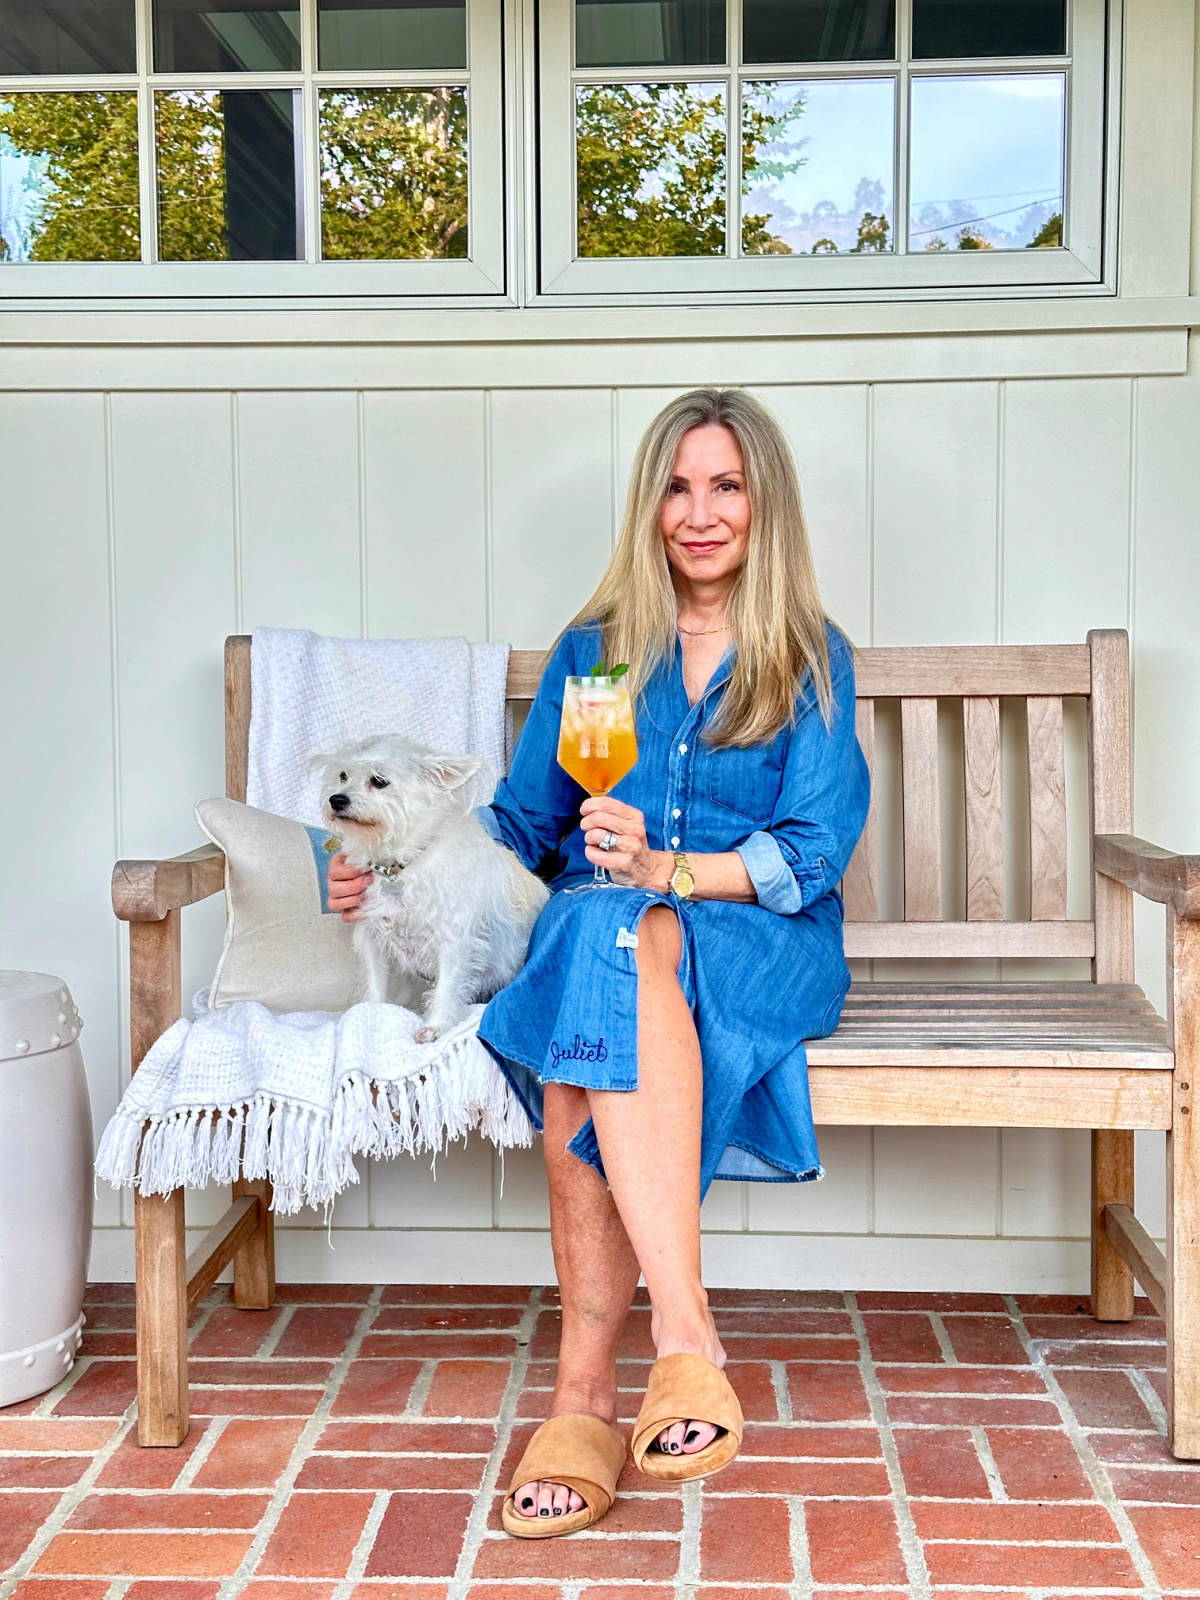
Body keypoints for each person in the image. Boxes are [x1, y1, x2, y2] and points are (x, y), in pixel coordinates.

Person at [327, 388, 869, 1537]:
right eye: (678, 486)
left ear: (763, 502)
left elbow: (814, 850)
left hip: (756, 939)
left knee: (608, 935)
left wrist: (671, 865)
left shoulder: (807, 656)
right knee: (595, 934)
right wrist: (382, 861)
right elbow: (526, 826)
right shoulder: (602, 655)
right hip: (612, 939)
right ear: (650, 504)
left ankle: (586, 1388)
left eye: (725, 485)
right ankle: (686, 1342)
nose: (701, 512)